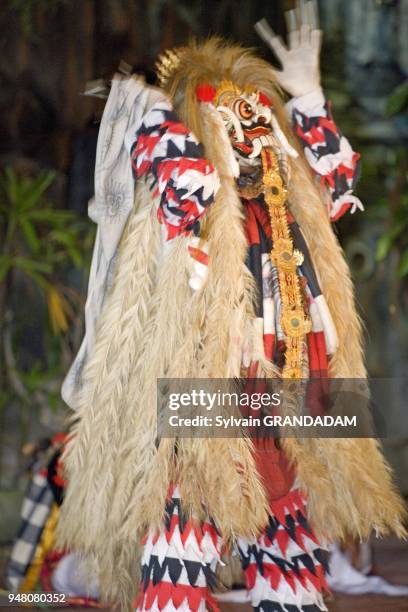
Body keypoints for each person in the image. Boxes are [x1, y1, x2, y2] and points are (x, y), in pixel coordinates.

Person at [57, 2, 406, 610]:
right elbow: (182, 178)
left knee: (290, 539)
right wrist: (156, 112)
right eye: (231, 120)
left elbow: (342, 185)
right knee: (184, 536)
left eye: (259, 121)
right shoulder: (186, 191)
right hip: (210, 390)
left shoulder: (291, 197)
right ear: (205, 121)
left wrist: (308, 98)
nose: (251, 136)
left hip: (298, 386)